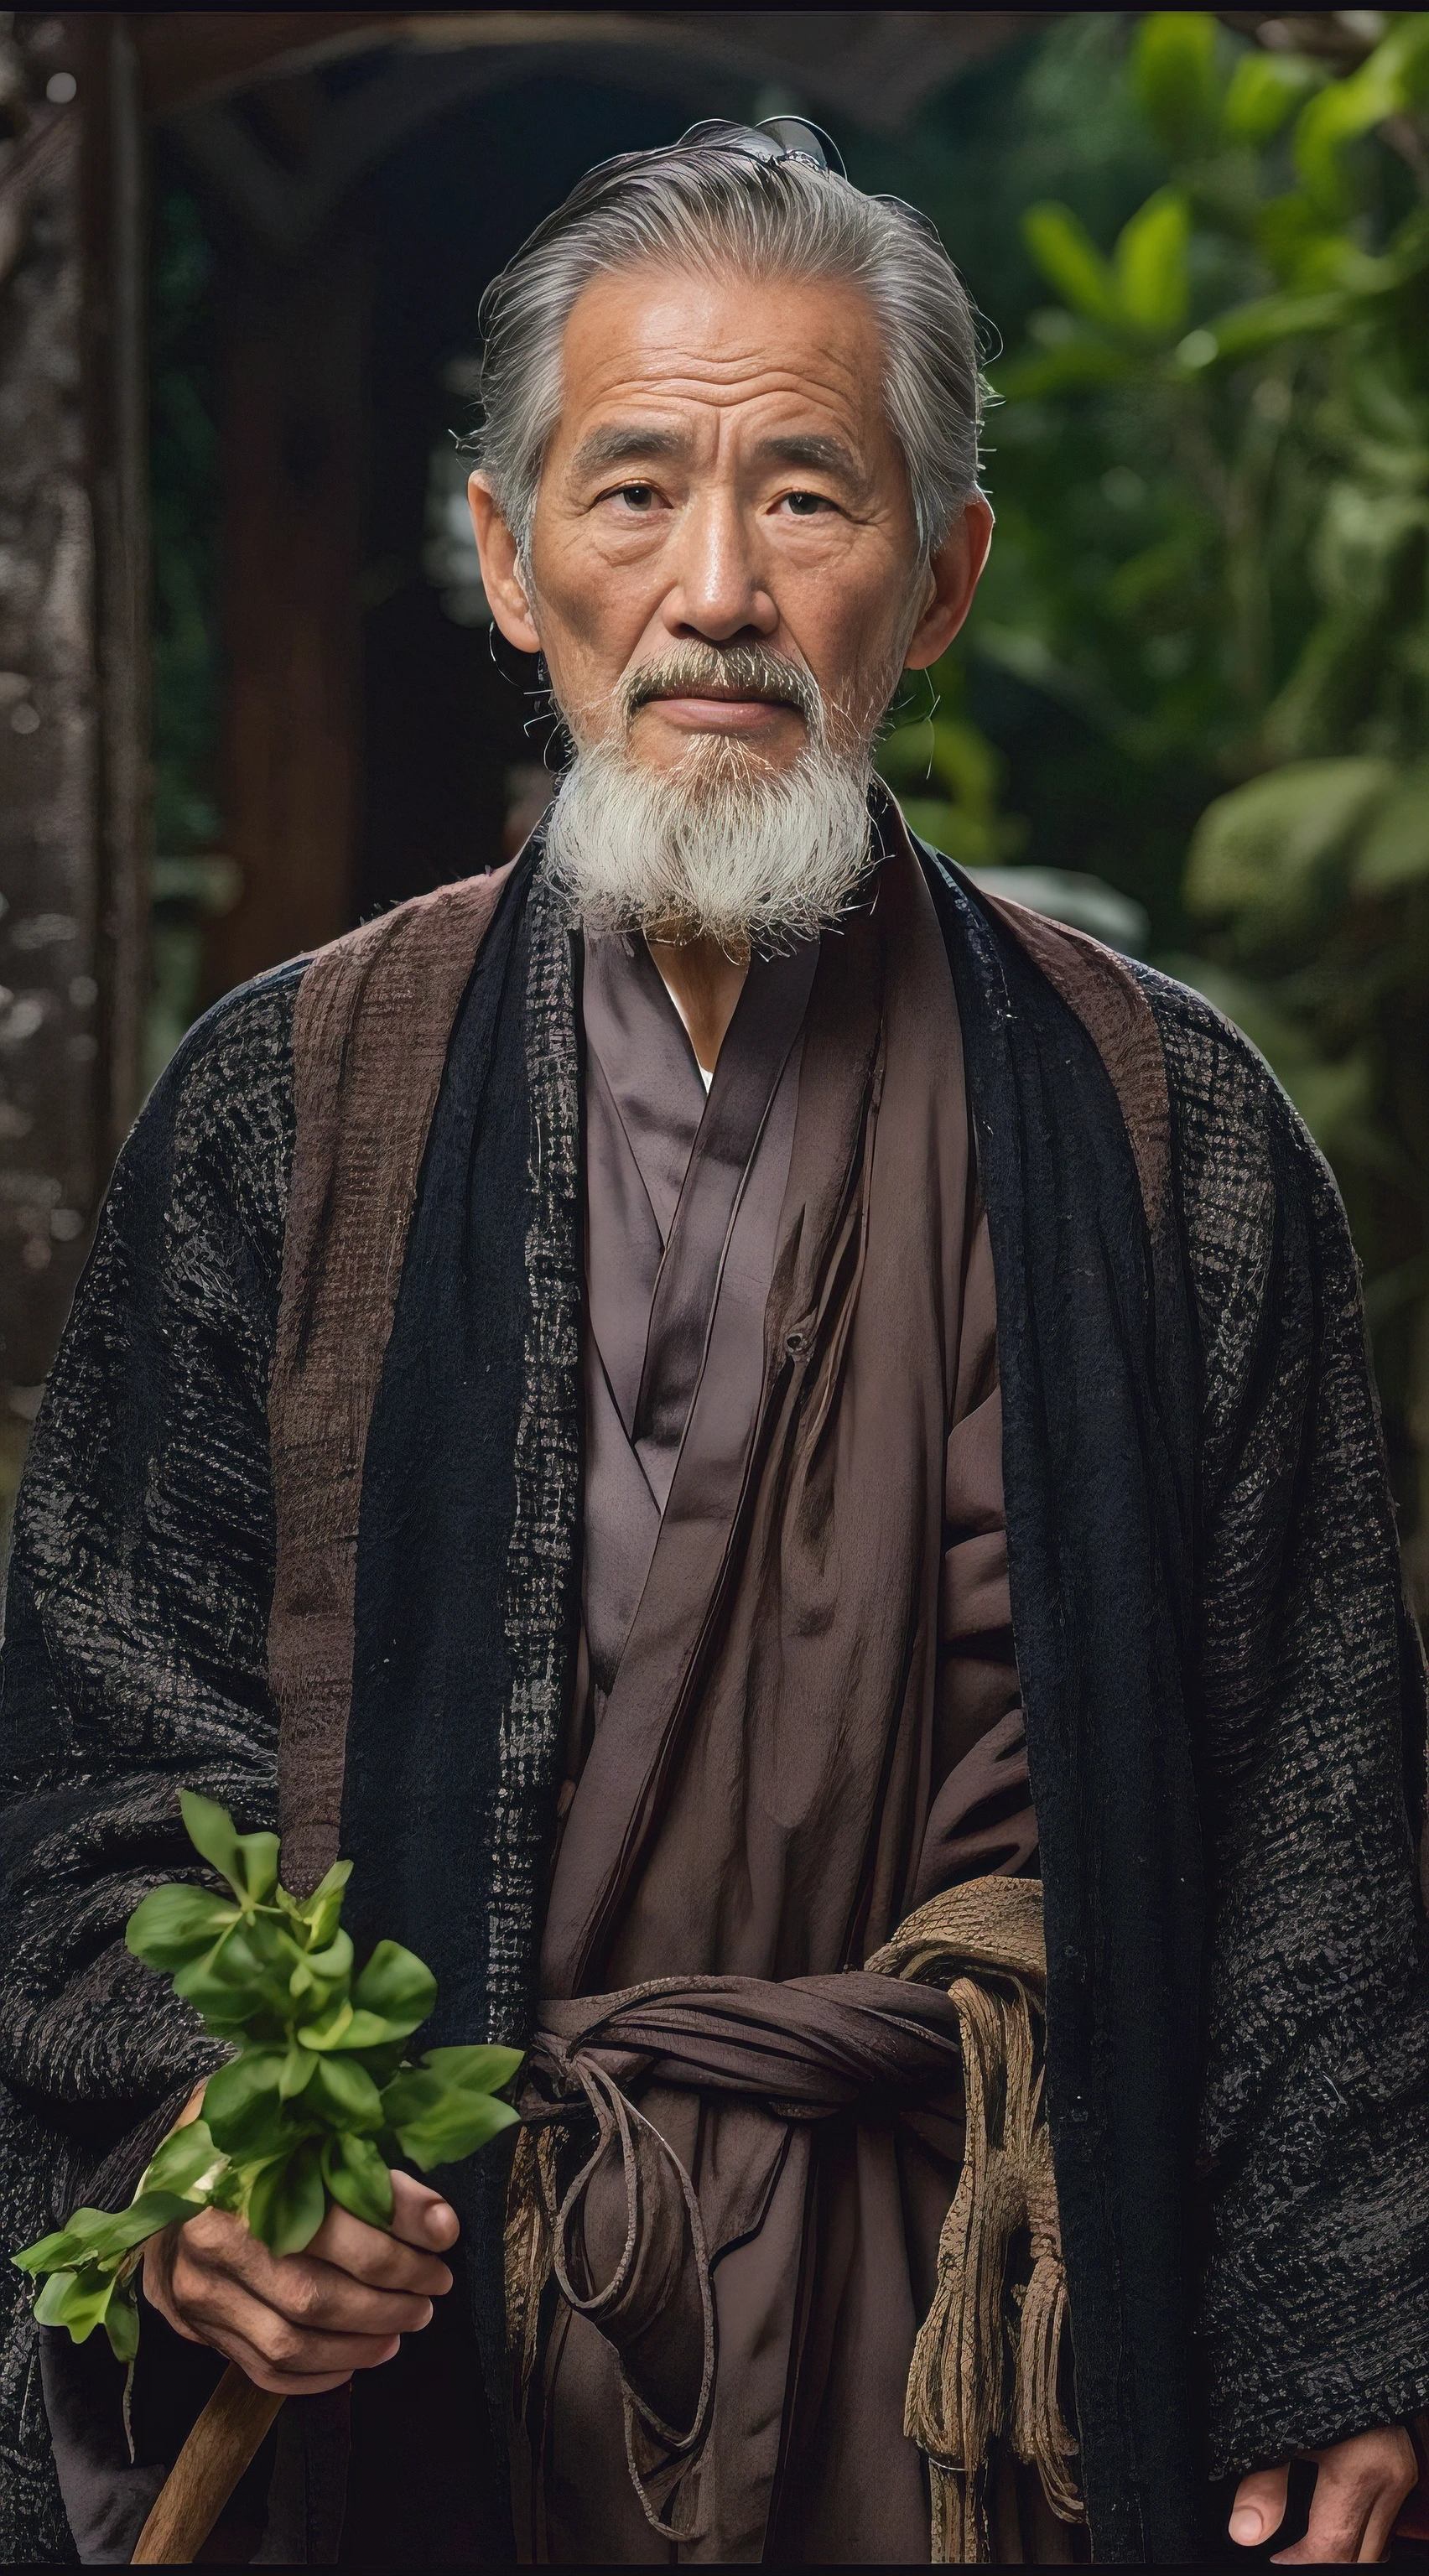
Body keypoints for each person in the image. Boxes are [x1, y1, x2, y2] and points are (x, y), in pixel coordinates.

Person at [2, 119, 1425, 2570]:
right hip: (444, 2314)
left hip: (989, 2356)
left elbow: (1313, 1787)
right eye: (636, 490)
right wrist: (204, 2153)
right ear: (505, 557)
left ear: (946, 575)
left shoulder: (1164, 1125)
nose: (719, 591)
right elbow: (108, 1744)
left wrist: (1344, 2326)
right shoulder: (291, 1100)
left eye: (812, 497)